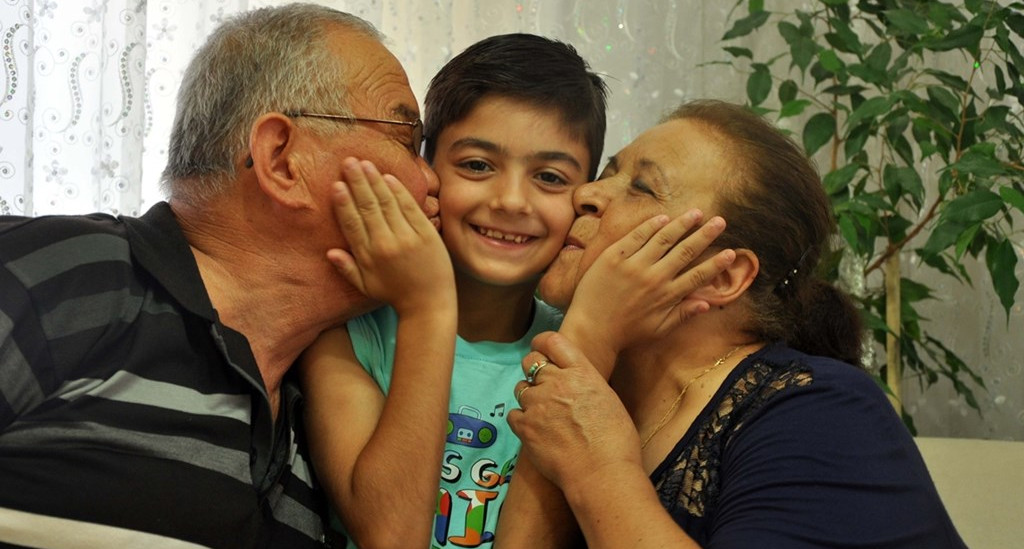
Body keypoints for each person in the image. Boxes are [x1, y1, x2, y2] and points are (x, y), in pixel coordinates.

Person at [0, 4, 439, 548]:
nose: (431, 181)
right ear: (282, 160)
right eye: (407, 140)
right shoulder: (67, 274)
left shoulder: (322, 431)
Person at [507, 100, 967, 548]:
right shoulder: (597, 392)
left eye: (642, 187)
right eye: (608, 172)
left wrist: (599, 470)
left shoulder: (824, 410)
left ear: (722, 277)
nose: (585, 194)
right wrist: (586, 336)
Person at [298, 33, 609, 549]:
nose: (511, 201)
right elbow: (387, 536)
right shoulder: (347, 331)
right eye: (477, 165)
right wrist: (430, 305)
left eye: (550, 177)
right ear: (425, 169)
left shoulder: (579, 347)